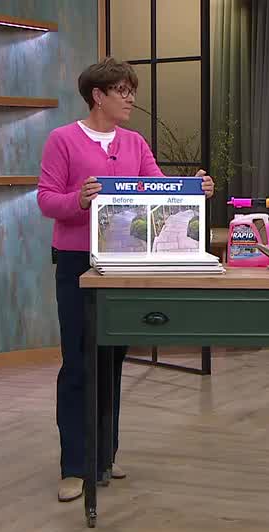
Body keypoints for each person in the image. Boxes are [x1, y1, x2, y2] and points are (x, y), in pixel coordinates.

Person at [36, 57, 214, 502]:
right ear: (98, 96)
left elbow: (159, 191)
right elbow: (46, 199)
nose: (131, 98)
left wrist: (194, 187)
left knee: (113, 360)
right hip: (79, 264)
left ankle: (105, 457)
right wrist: (78, 199)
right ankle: (74, 466)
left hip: (126, 267)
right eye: (123, 90)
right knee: (78, 363)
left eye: (131, 90)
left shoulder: (134, 142)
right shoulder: (62, 140)